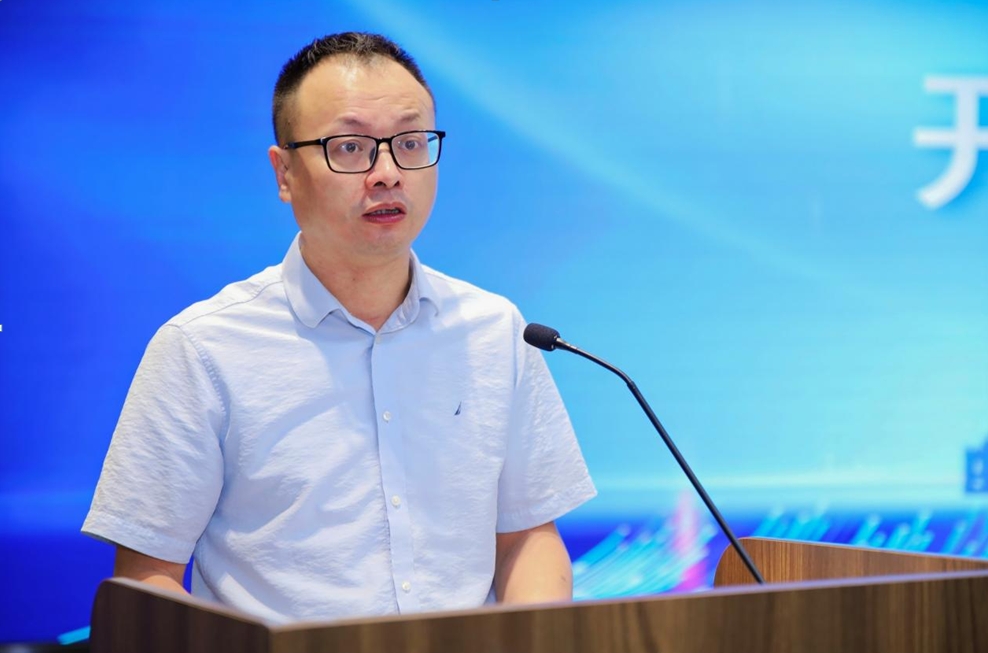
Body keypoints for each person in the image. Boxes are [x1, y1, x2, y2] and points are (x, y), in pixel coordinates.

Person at [82, 32, 596, 624]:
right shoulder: (202, 349)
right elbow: (148, 578)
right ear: (284, 173)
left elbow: (527, 538)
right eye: (350, 148)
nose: (387, 174)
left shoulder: (495, 331)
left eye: (410, 142)